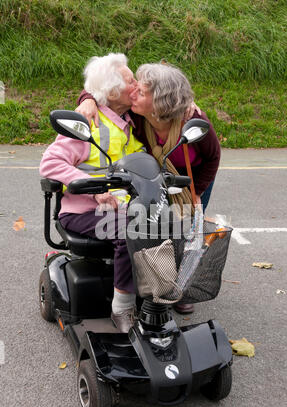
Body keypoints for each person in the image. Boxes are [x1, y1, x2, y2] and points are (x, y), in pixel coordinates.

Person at [76, 62, 221, 315]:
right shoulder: (138, 118)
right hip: (154, 179)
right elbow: (101, 89)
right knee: (158, 227)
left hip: (191, 181)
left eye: (141, 93)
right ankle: (154, 282)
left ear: (160, 103)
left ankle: (181, 289)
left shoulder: (192, 120)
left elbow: (213, 158)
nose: (134, 93)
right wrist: (86, 98)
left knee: (186, 232)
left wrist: (197, 192)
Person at [40, 53, 145, 333]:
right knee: (131, 230)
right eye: (130, 80)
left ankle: (155, 297)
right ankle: (122, 310)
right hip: (83, 211)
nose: (137, 84)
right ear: (111, 92)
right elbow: (49, 163)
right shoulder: (88, 123)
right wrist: (94, 189)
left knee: (164, 223)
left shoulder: (126, 125)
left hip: (120, 209)